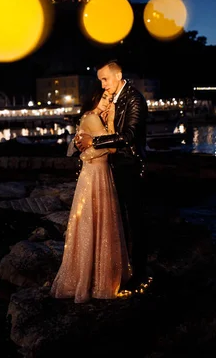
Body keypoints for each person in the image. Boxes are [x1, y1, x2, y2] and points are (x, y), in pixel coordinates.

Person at [51, 87, 132, 303]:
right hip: (96, 175)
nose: (108, 102)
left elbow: (97, 145)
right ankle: (97, 281)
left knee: (93, 222)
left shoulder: (92, 118)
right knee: (99, 223)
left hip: (95, 173)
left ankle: (89, 276)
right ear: (95, 99)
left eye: (110, 98)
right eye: (105, 98)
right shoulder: (94, 118)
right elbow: (113, 146)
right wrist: (113, 118)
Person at [75, 59, 149, 293]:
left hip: (129, 165)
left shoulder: (134, 99)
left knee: (134, 220)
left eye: (105, 79)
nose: (103, 84)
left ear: (118, 76)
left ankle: (139, 274)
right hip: (112, 166)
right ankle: (119, 270)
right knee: (118, 221)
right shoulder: (114, 100)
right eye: (100, 80)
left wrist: (93, 141)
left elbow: (129, 135)